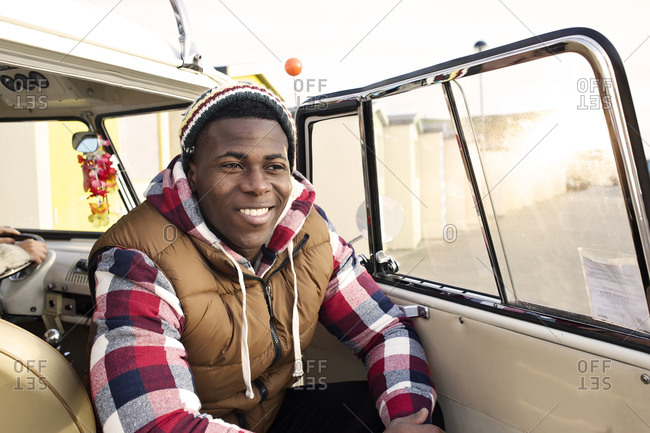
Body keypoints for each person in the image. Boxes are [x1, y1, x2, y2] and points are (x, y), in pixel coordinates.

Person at [88, 82, 445, 433]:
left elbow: (382, 329)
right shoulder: (137, 261)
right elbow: (151, 425)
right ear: (193, 173)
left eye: (274, 166)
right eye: (232, 165)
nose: (258, 185)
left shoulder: (309, 232)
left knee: (401, 412)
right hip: (191, 423)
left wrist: (404, 418)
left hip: (268, 417)